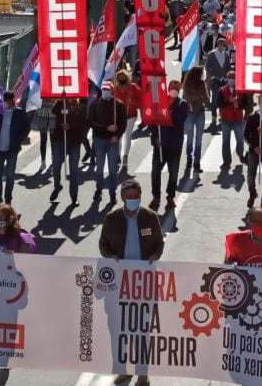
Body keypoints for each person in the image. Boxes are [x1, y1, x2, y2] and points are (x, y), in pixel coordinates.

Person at [99, 180, 163, 386]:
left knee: (142, 329)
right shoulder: (112, 219)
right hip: (119, 283)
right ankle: (123, 370)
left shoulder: (150, 217)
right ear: (123, 198)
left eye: (136, 196)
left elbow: (159, 243)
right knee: (119, 329)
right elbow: (103, 245)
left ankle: (143, 373)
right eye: (130, 197)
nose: (133, 200)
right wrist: (110, 257)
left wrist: (155, 254)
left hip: (143, 282)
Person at [0, 203, 36, 379]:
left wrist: (17, 254)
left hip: (9, 291)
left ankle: (5, 359)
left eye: (2, 219)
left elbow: (30, 253)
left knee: (6, 328)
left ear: (10, 220)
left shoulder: (18, 237)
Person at [151, 81, 188, 210]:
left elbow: (180, 120)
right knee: (155, 171)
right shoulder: (160, 103)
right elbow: (153, 122)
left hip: (175, 144)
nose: (174, 90)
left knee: (173, 173)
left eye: (176, 89)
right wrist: (155, 137)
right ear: (168, 89)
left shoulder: (182, 104)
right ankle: (156, 196)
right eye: (172, 88)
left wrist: (168, 113)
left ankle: (170, 197)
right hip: (160, 144)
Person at [0, 91, 30, 207]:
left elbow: (26, 128)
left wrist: (19, 140)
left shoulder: (19, 113)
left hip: (12, 149)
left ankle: (8, 198)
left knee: (10, 174)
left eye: (5, 100)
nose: (4, 103)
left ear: (11, 100)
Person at [90, 81, 128, 202]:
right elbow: (92, 121)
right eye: (103, 89)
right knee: (99, 167)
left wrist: (117, 135)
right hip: (99, 139)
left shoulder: (119, 105)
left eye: (107, 90)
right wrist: (106, 127)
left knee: (112, 169)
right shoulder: (95, 105)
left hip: (113, 141)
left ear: (111, 91)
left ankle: (113, 193)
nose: (105, 92)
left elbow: (123, 123)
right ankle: (98, 190)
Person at [51, 98, 89, 206]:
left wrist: (70, 126)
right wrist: (60, 103)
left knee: (74, 171)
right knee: (56, 165)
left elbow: (83, 124)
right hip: (60, 141)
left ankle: (74, 197)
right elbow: (53, 117)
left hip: (74, 143)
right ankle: (57, 187)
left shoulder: (81, 107)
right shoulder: (59, 104)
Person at [112, 71, 143, 173]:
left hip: (130, 115)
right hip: (118, 116)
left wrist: (134, 103)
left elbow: (142, 99)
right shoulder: (114, 89)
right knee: (119, 136)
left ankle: (125, 156)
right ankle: (117, 155)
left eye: (123, 78)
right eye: (119, 78)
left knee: (127, 135)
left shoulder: (133, 87)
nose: (121, 81)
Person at [217, 71, 249, 169]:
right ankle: (227, 162)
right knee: (225, 141)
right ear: (227, 78)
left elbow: (246, 104)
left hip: (238, 119)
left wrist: (238, 106)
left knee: (240, 140)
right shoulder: (222, 90)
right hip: (226, 119)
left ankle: (240, 155)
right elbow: (219, 104)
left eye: (233, 77)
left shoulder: (241, 91)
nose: (232, 79)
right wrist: (229, 102)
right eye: (230, 77)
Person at [181, 66, 209, 177]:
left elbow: (206, 98)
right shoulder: (187, 83)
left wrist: (200, 98)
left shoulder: (202, 84)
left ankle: (197, 162)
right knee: (190, 137)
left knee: (199, 139)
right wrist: (199, 98)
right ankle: (189, 159)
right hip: (190, 113)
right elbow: (187, 97)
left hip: (200, 112)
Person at [205, 37, 233, 129]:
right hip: (215, 80)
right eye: (224, 45)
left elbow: (228, 66)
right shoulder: (212, 54)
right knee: (215, 98)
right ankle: (213, 117)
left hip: (224, 80)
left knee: (224, 98)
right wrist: (213, 76)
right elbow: (207, 66)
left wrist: (228, 76)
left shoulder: (226, 54)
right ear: (219, 45)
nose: (225, 47)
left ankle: (222, 115)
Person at [28, 98, 55, 172]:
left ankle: (53, 159)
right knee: (43, 139)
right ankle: (43, 161)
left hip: (53, 112)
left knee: (53, 139)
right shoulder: (40, 88)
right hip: (42, 112)